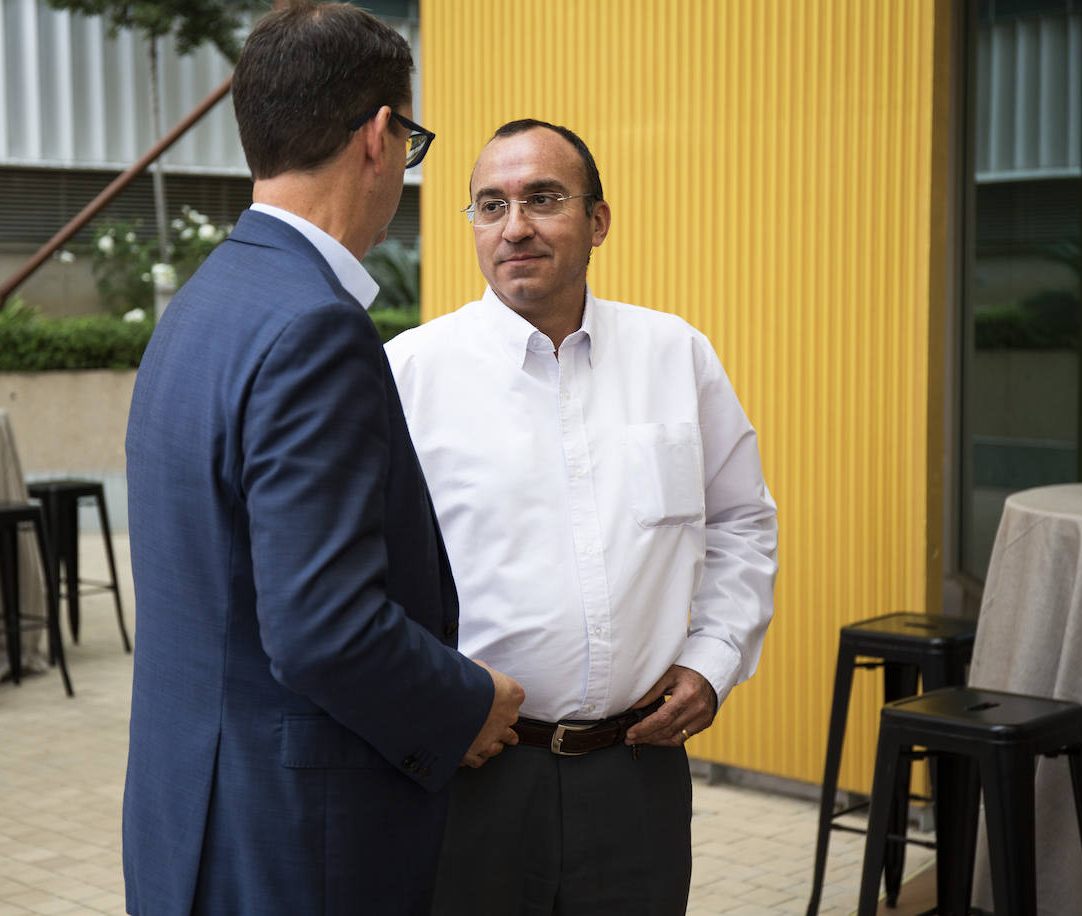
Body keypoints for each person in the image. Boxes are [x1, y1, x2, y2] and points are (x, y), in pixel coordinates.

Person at [121, 6, 525, 914]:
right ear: (380, 137)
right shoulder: (316, 328)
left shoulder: (203, 301)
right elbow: (321, 626)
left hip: (190, 812)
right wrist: (466, 706)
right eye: (412, 142)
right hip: (298, 841)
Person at [385, 119, 779, 914]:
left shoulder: (677, 357)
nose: (515, 225)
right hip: (475, 775)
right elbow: (367, 580)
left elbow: (741, 519)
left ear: (597, 221)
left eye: (543, 198)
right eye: (490, 205)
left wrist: (715, 656)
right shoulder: (410, 375)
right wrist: (428, 714)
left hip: (638, 771)